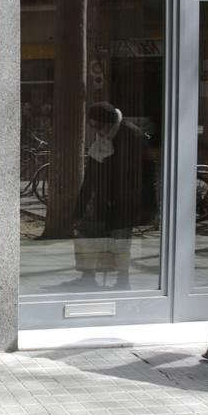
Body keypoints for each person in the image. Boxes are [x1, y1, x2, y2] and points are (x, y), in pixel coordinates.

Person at [72, 102, 155, 287]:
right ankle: (87, 275)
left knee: (120, 239)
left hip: (126, 199)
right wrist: (80, 207)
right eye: (93, 126)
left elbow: (138, 173)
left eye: (99, 126)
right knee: (86, 233)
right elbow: (91, 175)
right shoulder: (103, 139)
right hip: (104, 198)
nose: (97, 131)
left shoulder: (131, 136)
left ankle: (122, 278)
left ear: (109, 123)